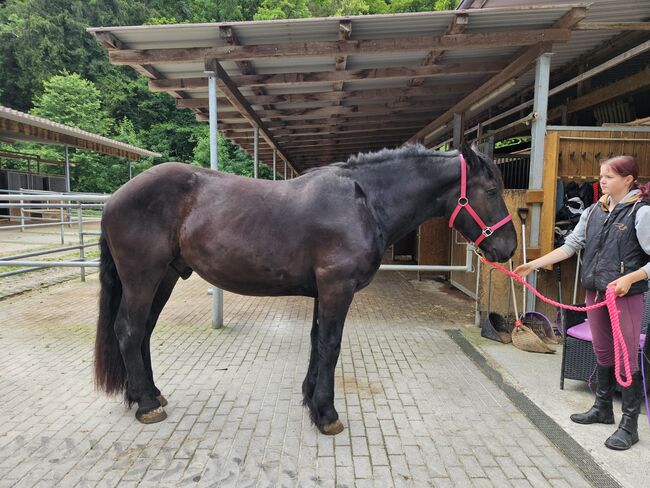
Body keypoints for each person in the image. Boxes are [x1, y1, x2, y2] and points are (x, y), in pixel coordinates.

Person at [515, 155, 650, 451]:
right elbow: (570, 246)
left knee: (626, 357)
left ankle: (630, 425)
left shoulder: (641, 213)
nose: (602, 181)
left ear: (628, 180)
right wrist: (533, 264)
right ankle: (603, 409)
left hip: (624, 296)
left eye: (609, 177)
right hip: (595, 293)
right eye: (601, 175)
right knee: (602, 350)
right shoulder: (592, 211)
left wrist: (631, 278)